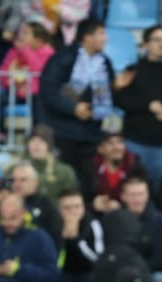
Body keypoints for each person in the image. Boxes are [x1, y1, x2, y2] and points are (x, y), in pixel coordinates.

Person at [112, 26, 162, 187]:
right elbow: (120, 100)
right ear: (146, 45)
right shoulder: (133, 71)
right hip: (134, 141)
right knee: (132, 188)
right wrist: (147, 105)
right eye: (157, 40)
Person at [38, 19, 114, 173]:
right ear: (87, 37)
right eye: (101, 34)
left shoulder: (104, 62)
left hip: (91, 133)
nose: (106, 38)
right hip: (62, 132)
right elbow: (49, 90)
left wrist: (117, 87)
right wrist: (73, 108)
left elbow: (106, 94)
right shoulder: (62, 58)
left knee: (90, 181)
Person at [87, 132, 147, 214]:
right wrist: (93, 205)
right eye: (110, 143)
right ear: (100, 149)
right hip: (97, 214)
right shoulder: (90, 168)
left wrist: (121, 207)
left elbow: (144, 200)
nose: (116, 147)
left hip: (129, 214)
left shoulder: (136, 167)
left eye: (120, 142)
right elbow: (83, 196)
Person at [24, 127, 80, 202]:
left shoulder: (65, 171)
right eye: (33, 140)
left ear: (49, 145)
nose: (36, 144)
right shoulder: (16, 170)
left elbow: (71, 199)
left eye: (42, 141)